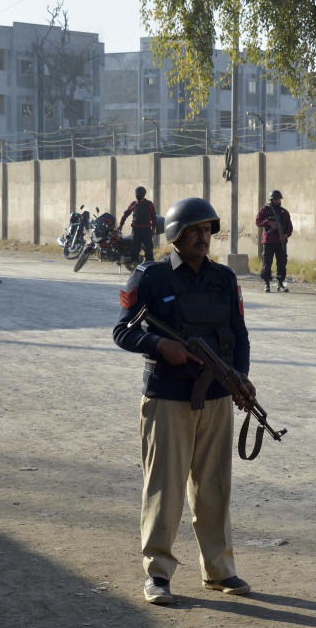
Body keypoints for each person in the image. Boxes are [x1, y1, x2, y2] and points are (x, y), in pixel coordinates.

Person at [113, 197, 255, 604]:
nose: (202, 238)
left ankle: (220, 570)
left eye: (207, 230)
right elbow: (122, 331)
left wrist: (240, 379)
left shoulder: (225, 279)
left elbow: (239, 335)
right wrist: (159, 345)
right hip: (168, 399)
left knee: (214, 488)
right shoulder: (150, 278)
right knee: (165, 489)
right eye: (194, 231)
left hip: (215, 398)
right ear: (175, 235)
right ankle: (157, 574)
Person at [254, 189, 293, 292]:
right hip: (268, 241)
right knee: (267, 263)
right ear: (271, 200)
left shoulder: (284, 212)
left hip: (281, 242)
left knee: (282, 263)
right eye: (275, 199)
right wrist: (268, 223)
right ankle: (266, 284)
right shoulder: (265, 210)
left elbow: (290, 228)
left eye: (279, 199)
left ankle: (280, 284)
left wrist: (285, 235)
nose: (277, 201)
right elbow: (258, 222)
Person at [118, 186, 157, 262]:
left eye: (140, 194)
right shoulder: (134, 204)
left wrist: (153, 229)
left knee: (149, 249)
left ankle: (149, 264)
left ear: (143, 194)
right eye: (137, 194)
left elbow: (153, 217)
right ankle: (135, 265)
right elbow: (125, 215)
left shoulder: (149, 204)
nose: (138, 195)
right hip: (136, 230)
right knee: (134, 249)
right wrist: (120, 225)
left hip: (146, 230)